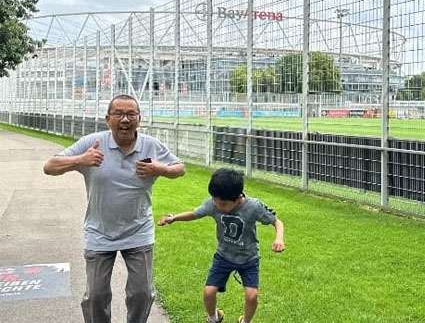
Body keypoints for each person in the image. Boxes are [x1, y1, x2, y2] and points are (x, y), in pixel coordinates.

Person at [43, 94, 185, 323]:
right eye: (118, 114)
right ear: (107, 119)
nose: (125, 119)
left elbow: (180, 168)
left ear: (139, 118)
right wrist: (81, 159)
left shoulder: (150, 145)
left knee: (142, 294)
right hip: (99, 232)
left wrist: (160, 168)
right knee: (96, 296)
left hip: (138, 231)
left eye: (131, 114)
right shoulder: (92, 143)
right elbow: (49, 167)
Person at [158, 168, 285, 323]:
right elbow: (195, 213)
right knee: (208, 292)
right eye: (215, 201)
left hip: (249, 259)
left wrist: (279, 239)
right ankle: (214, 318)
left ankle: (245, 321)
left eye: (223, 204)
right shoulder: (214, 203)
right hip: (223, 256)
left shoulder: (253, 206)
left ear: (238, 198)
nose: (218, 206)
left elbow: (276, 221)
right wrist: (174, 218)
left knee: (252, 296)